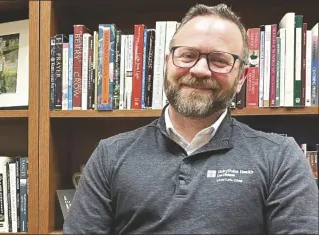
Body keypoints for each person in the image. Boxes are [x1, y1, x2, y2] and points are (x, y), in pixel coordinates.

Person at [63, 4, 318, 234]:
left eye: (219, 60)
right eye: (187, 55)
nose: (199, 70)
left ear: (242, 77)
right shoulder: (110, 155)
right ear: (166, 63)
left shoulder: (281, 158)